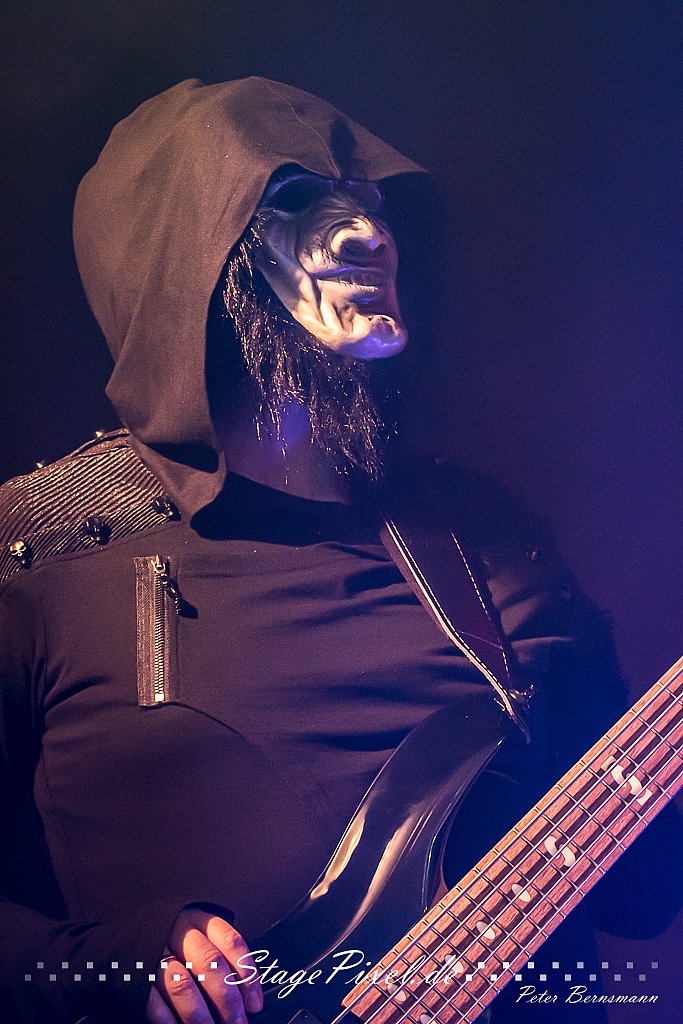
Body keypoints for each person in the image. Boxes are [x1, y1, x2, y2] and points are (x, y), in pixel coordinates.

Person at [0, 77, 677, 1024]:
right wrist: (108, 969)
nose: (368, 234)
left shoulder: (489, 537)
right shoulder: (48, 545)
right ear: (178, 250)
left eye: (367, 201)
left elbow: (641, 898)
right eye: (293, 200)